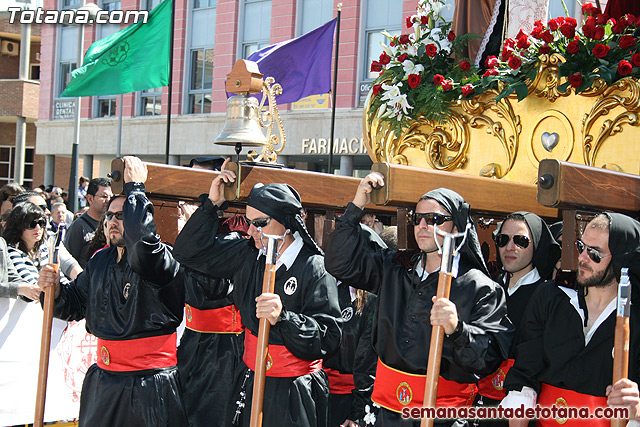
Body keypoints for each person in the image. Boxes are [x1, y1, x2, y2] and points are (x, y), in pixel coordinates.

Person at [325, 172, 513, 426]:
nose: (423, 225)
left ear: (456, 228)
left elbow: (489, 358)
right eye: (418, 218)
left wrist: (457, 329)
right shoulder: (395, 267)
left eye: (434, 219)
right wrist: (357, 205)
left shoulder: (480, 287)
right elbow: (339, 262)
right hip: (388, 412)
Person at [173, 159, 342, 427]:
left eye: (260, 223)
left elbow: (329, 337)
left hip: (292, 390)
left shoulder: (315, 268)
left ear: (286, 223)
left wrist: (285, 318)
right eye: (250, 222)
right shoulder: (248, 254)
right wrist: (211, 206)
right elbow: (187, 253)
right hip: (248, 376)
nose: (251, 230)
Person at [37, 156, 188, 427]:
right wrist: (55, 290)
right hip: (104, 380)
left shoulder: (161, 260)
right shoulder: (99, 260)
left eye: (122, 215)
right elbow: (75, 304)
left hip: (147, 383)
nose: (113, 221)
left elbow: (141, 246)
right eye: (109, 215)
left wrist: (136, 190)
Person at [503, 213, 640, 426]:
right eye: (582, 246)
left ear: (622, 259)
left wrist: (637, 407)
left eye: (595, 253)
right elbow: (524, 375)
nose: (582, 257)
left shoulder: (635, 317)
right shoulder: (551, 296)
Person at [474, 212, 560, 426]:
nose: (509, 248)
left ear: (537, 244)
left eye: (520, 241)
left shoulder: (550, 296)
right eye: (503, 240)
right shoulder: (487, 288)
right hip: (479, 403)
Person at [324, 224, 381, 427]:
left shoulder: (371, 301)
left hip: (350, 399)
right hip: (317, 392)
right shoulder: (323, 287)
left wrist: (359, 411)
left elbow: (368, 363)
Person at [12, 191, 82, 281]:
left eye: (46, 207)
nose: (48, 212)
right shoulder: (10, 251)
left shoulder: (48, 240)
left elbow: (68, 263)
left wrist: (84, 284)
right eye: (41, 208)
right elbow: (32, 286)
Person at [64, 177, 112, 268]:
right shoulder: (78, 227)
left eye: (111, 197)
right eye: (104, 196)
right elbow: (67, 261)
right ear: (90, 198)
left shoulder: (112, 224)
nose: (108, 200)